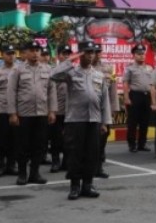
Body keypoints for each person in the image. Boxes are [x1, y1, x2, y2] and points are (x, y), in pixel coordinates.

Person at [50, 41, 111, 200]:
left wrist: (105, 122)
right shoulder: (71, 73)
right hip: (75, 120)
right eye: (87, 52)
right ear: (81, 54)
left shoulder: (98, 75)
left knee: (92, 154)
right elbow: (54, 75)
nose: (91, 55)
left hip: (94, 120)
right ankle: (75, 186)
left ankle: (87, 185)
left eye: (93, 52)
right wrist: (72, 59)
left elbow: (104, 100)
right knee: (75, 154)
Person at [7, 41, 56, 186]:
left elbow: (51, 92)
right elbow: (11, 92)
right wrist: (12, 113)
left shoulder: (48, 70)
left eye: (37, 51)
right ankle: (22, 174)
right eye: (32, 50)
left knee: (39, 145)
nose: (35, 53)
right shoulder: (18, 70)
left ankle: (35, 173)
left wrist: (52, 110)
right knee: (22, 145)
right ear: (25, 53)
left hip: (41, 113)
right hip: (24, 114)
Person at [0, 44, 19, 177]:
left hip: (16, 109)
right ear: (2, 55)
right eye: (8, 53)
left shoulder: (20, 69)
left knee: (14, 138)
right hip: (0, 109)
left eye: (13, 53)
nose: (11, 56)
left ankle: (11, 165)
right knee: (1, 139)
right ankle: (0, 164)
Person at [123, 44, 153, 153]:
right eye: (139, 54)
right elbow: (125, 83)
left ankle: (142, 144)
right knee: (133, 122)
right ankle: (132, 144)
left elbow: (152, 84)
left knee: (145, 121)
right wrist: (126, 98)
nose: (142, 56)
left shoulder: (149, 68)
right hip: (135, 96)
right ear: (134, 55)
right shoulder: (130, 68)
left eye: (143, 54)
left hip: (147, 96)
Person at [92, 45, 115, 179]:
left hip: (103, 109)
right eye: (95, 52)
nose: (97, 54)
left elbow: (111, 90)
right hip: (89, 110)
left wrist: (113, 109)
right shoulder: (82, 69)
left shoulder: (108, 68)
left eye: (99, 52)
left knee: (103, 139)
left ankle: (99, 167)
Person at [48, 45, 70, 174]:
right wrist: (51, 110)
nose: (66, 55)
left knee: (69, 138)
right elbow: (50, 93)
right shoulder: (54, 71)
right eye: (64, 53)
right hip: (57, 111)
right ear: (58, 56)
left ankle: (66, 161)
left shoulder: (74, 70)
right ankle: (55, 161)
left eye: (68, 53)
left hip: (70, 111)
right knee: (55, 138)